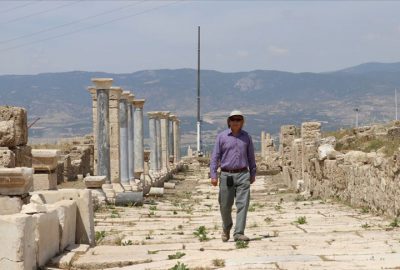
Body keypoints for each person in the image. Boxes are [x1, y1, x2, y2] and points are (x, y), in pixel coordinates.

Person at [210, 110, 256, 242]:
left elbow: (251, 156)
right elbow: (215, 157)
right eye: (233, 119)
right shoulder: (222, 137)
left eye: (239, 119)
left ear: (242, 122)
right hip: (226, 175)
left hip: (243, 174)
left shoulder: (246, 137)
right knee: (224, 205)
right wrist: (213, 175)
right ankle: (226, 226)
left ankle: (239, 233)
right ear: (229, 121)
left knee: (243, 204)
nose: (236, 122)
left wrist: (253, 173)